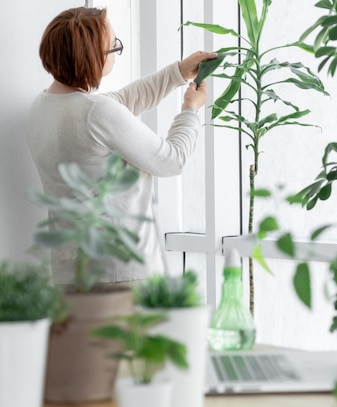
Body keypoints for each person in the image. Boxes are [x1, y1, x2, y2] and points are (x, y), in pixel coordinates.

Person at [27, 6, 216, 285]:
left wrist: (177, 73)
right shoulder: (95, 111)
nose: (116, 52)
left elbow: (120, 102)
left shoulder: (42, 106)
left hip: (71, 272)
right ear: (91, 58)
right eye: (113, 48)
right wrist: (190, 110)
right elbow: (171, 160)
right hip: (120, 273)